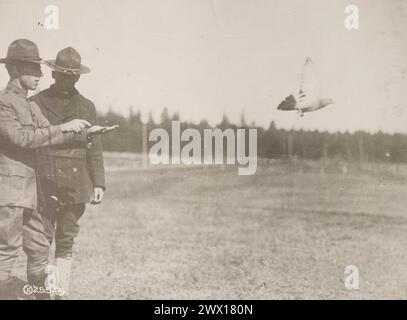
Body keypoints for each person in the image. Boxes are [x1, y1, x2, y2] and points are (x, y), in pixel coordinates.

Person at [0, 39, 108, 299]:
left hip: (31, 192)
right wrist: (64, 128)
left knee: (39, 250)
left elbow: (51, 132)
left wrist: (84, 132)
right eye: (32, 69)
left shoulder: (30, 104)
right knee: (6, 252)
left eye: (39, 68)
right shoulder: (5, 103)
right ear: (14, 70)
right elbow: (22, 138)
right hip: (13, 191)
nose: (39, 74)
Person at [31, 47, 106, 299]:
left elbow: (94, 148)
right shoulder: (36, 103)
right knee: (41, 240)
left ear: (78, 78)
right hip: (44, 180)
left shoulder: (86, 106)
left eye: (72, 76)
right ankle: (43, 293)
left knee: (65, 240)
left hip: (75, 183)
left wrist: (99, 183)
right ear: (53, 74)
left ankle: (60, 293)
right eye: (62, 75)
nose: (67, 80)